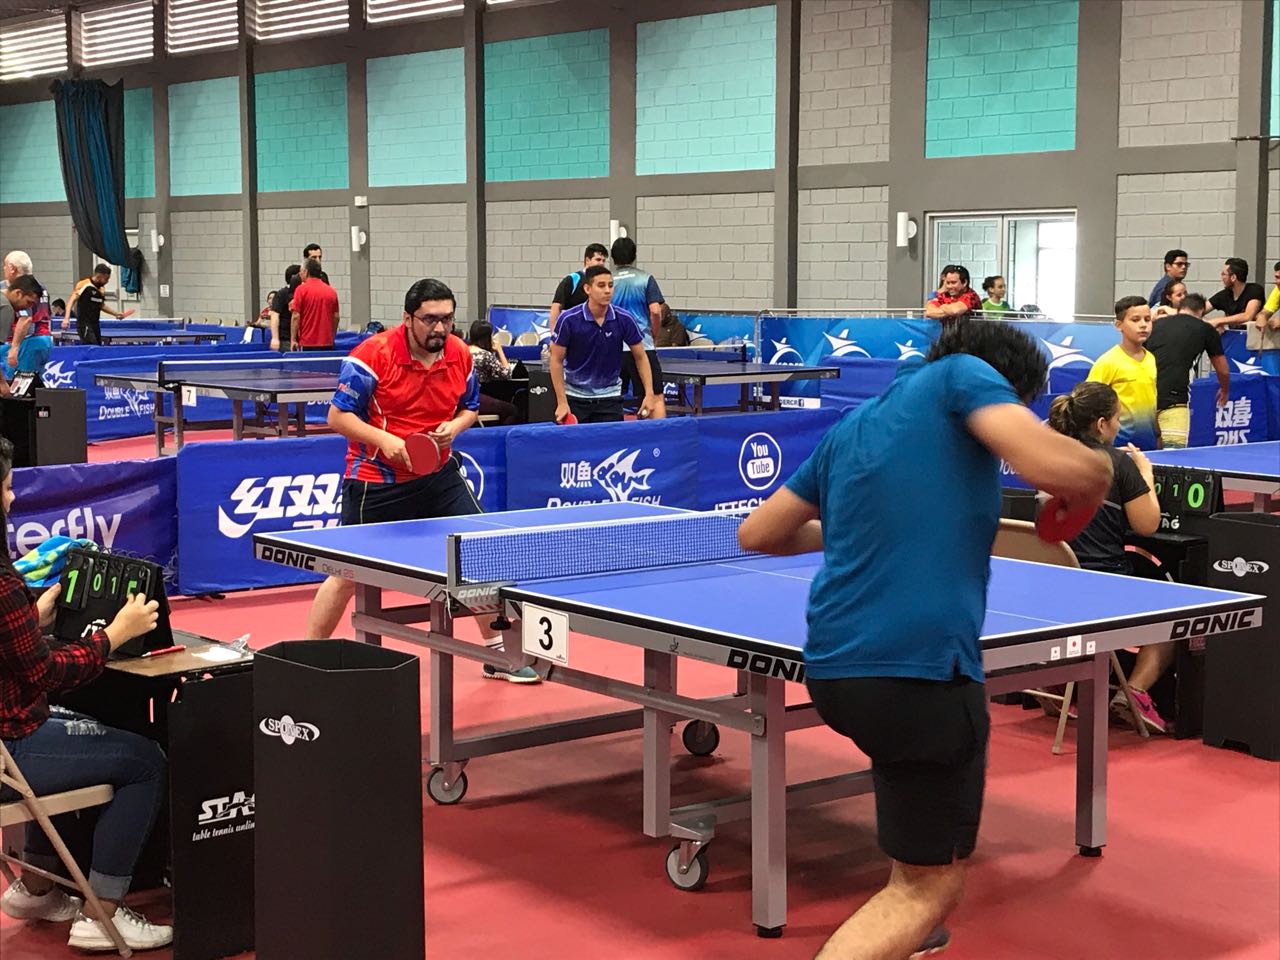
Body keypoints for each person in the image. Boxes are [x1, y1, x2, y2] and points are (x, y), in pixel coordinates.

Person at [737, 322, 1111, 960]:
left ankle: (907, 934)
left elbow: (759, 533)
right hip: (920, 674)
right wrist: (1101, 470)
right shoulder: (965, 376)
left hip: (834, 669)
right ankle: (905, 918)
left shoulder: (855, 425)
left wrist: (863, 526)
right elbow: (1056, 466)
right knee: (927, 888)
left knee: (915, 856)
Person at [304, 279, 537, 682]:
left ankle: (498, 653)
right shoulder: (372, 356)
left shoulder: (460, 354)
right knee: (346, 574)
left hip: (438, 474)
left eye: (447, 318)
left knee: (478, 554)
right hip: (377, 478)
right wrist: (385, 441)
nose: (440, 328)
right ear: (408, 318)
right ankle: (304, 658)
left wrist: (455, 427)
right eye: (430, 319)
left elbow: (469, 407)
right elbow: (338, 417)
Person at [0, 437, 173, 951]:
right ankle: (104, 914)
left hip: (11, 730)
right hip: (10, 748)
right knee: (146, 761)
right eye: (5, 487)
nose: (12, 497)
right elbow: (47, 672)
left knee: (80, 723)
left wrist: (32, 617)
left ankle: (37, 885)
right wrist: (115, 634)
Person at [1046, 381, 1169, 733]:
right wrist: (1145, 474)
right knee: (1174, 611)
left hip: (1052, 588)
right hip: (1103, 589)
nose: (1118, 425)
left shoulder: (1048, 456)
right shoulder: (1116, 463)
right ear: (1101, 424)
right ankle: (1135, 693)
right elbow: (1147, 525)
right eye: (1116, 418)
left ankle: (1057, 686)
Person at [548, 265, 658, 424]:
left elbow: (640, 357)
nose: (607, 291)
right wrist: (561, 402)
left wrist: (649, 393)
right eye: (601, 286)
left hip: (610, 398)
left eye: (610, 285)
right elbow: (556, 360)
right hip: (575, 398)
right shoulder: (568, 319)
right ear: (587, 289)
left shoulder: (624, 319)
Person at [1144, 292, 1229, 449]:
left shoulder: (1154, 326)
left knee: (1150, 450)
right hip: (1174, 400)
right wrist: (1225, 389)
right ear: (1201, 311)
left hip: (1144, 398)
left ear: (1179, 308)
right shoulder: (1206, 329)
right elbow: (1222, 369)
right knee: (1174, 455)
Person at [1086, 296, 1158, 449]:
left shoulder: (1151, 359)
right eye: (1135, 320)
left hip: (1149, 445)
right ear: (1119, 325)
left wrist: (1158, 436)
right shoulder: (1107, 361)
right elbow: (1087, 405)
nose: (1143, 325)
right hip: (1118, 446)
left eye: (1147, 319)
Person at [609, 237, 666, 418]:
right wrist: (653, 334)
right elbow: (655, 311)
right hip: (642, 346)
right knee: (654, 396)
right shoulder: (645, 279)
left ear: (612, 257)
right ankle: (659, 434)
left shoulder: (607, 282)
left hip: (613, 348)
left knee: (611, 399)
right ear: (634, 256)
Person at [62, 265, 134, 345]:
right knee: (92, 347)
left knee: (98, 346)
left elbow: (101, 305)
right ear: (99, 276)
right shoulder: (84, 284)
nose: (107, 281)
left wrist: (116, 313)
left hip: (95, 324)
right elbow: (71, 301)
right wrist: (66, 319)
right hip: (84, 323)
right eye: (106, 279)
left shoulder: (101, 289)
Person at [467, 319, 521, 425]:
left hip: (459, 397)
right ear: (487, 337)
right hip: (474, 397)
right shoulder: (485, 355)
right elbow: (507, 374)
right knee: (512, 410)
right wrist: (499, 350)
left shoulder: (463, 350)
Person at [548, 243, 608, 335]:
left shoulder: (604, 283)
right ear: (587, 260)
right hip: (571, 333)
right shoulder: (572, 279)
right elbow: (556, 306)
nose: (601, 263)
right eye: (598, 260)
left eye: (604, 260)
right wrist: (554, 334)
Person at [0, 276, 40, 395]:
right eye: (28, 302)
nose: (28, 307)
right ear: (18, 293)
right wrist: (2, 383)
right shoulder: (6, 308)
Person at [289, 258, 339, 351]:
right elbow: (336, 316)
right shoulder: (332, 291)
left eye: (301, 271)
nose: (300, 274)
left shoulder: (301, 290)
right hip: (327, 342)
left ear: (306, 271)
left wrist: (293, 339)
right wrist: (332, 335)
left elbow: (296, 316)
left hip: (307, 342)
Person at [1206, 258, 1265, 332]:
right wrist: (1210, 324)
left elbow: (1247, 316)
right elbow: (1198, 311)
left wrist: (1219, 321)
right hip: (1232, 337)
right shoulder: (1225, 294)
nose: (1222, 278)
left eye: (1224, 274)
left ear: (1233, 277)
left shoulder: (1254, 290)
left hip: (1251, 337)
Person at [1251, 260, 1280, 375]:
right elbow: (1265, 312)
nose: (1277, 282)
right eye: (1276, 277)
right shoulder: (1277, 290)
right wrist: (1262, 317)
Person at [270, 264, 301, 352]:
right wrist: (275, 338)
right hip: (285, 338)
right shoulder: (281, 294)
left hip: (300, 338)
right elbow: (274, 315)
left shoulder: (302, 292)